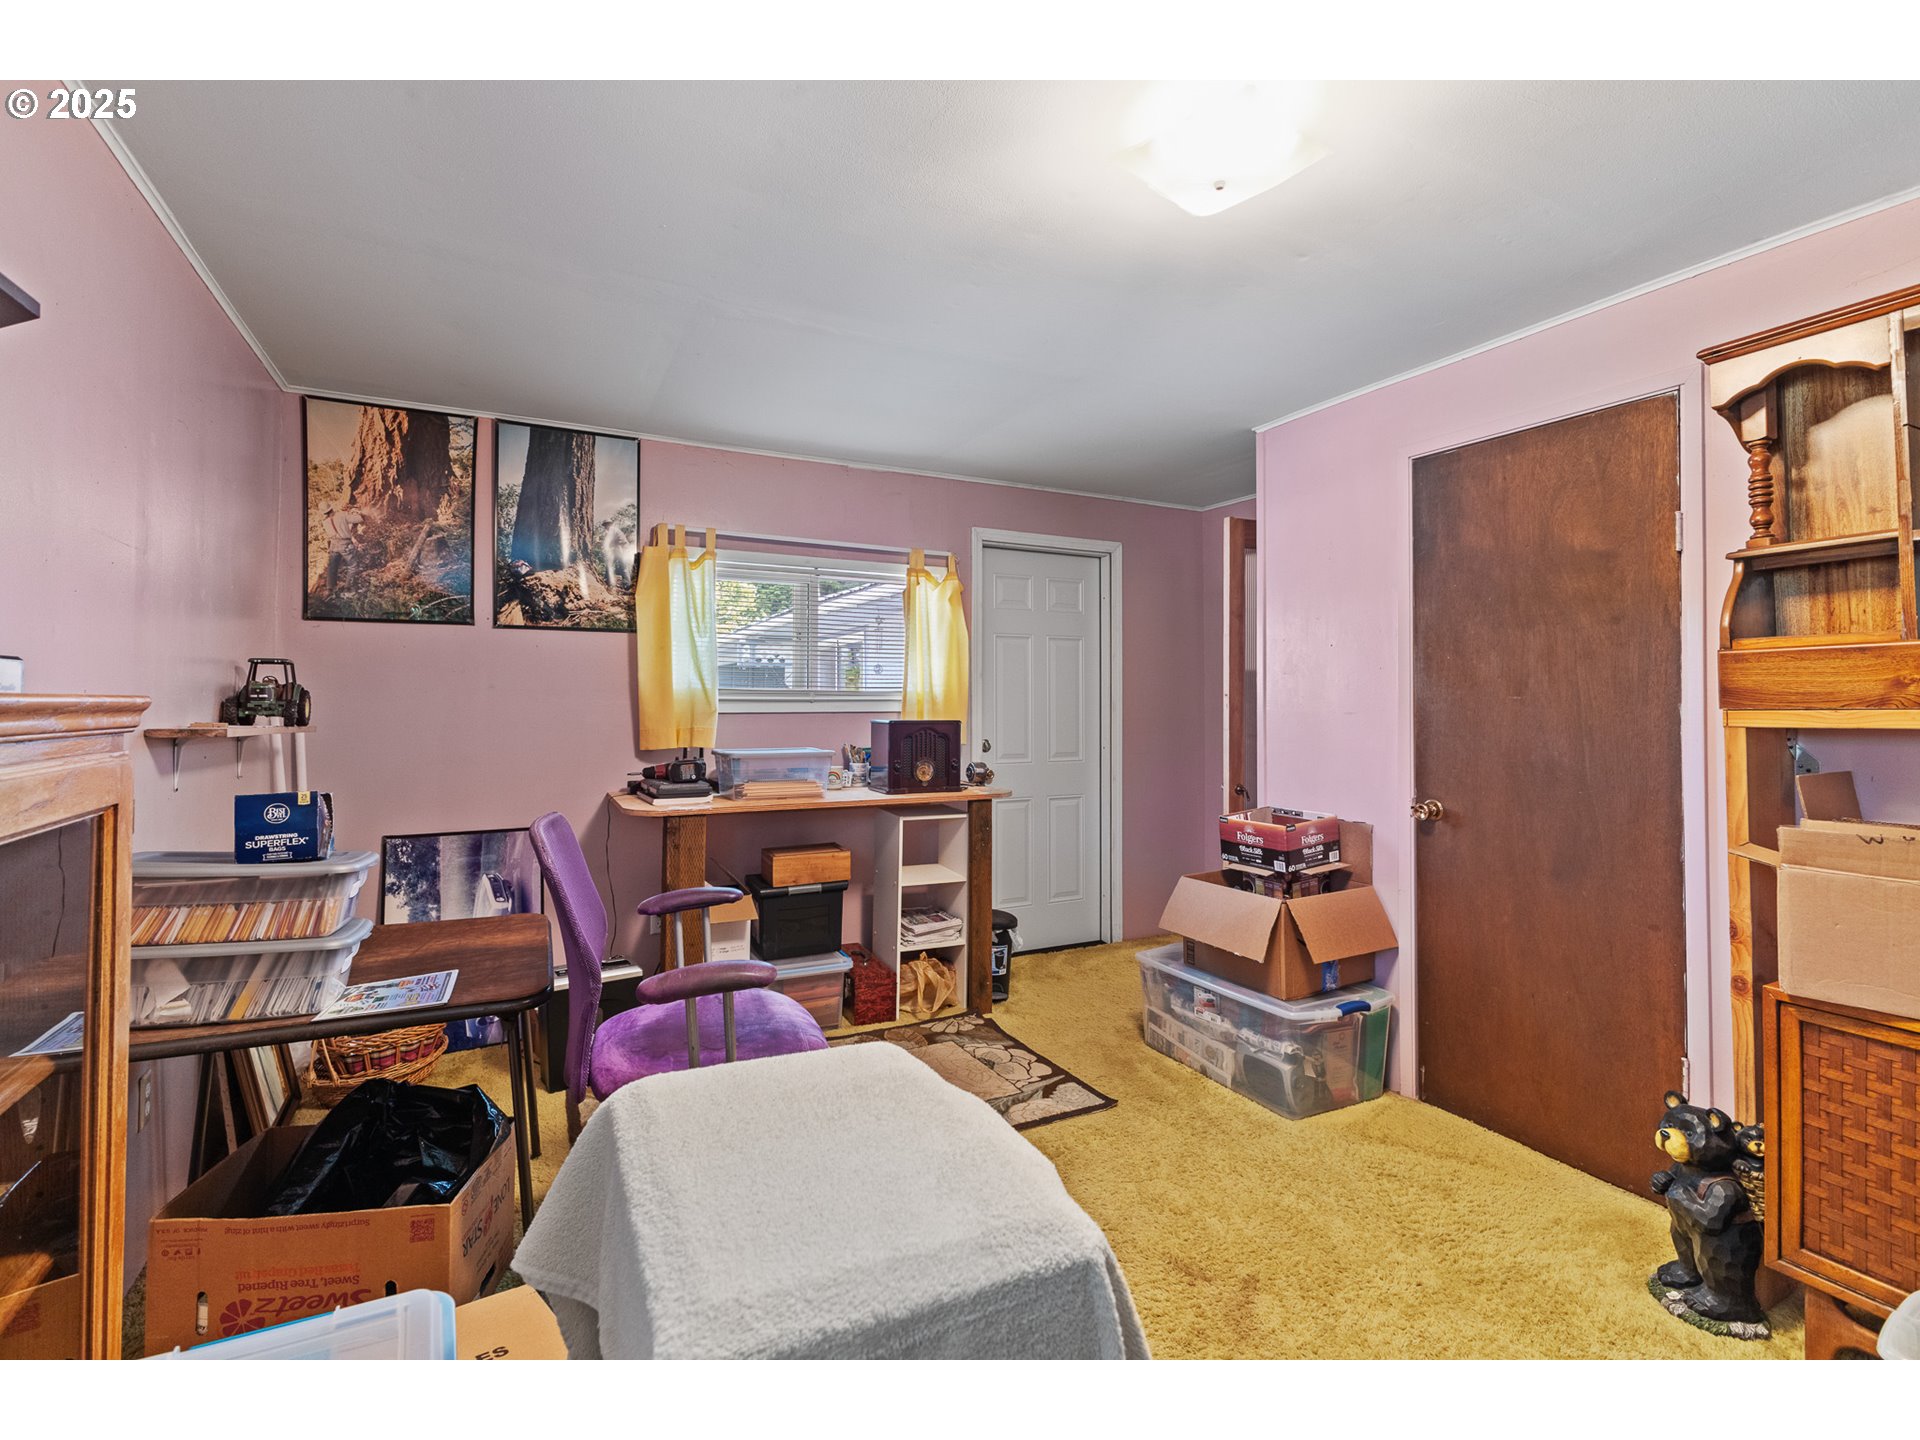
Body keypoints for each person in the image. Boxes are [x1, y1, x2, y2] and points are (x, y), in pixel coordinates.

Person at [321, 502, 367, 597]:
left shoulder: (324, 522)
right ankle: (348, 589)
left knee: (332, 567)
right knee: (353, 565)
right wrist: (354, 510)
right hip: (344, 543)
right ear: (331, 508)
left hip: (333, 545)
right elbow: (359, 518)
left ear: (324, 512)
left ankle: (330, 589)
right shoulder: (342, 515)